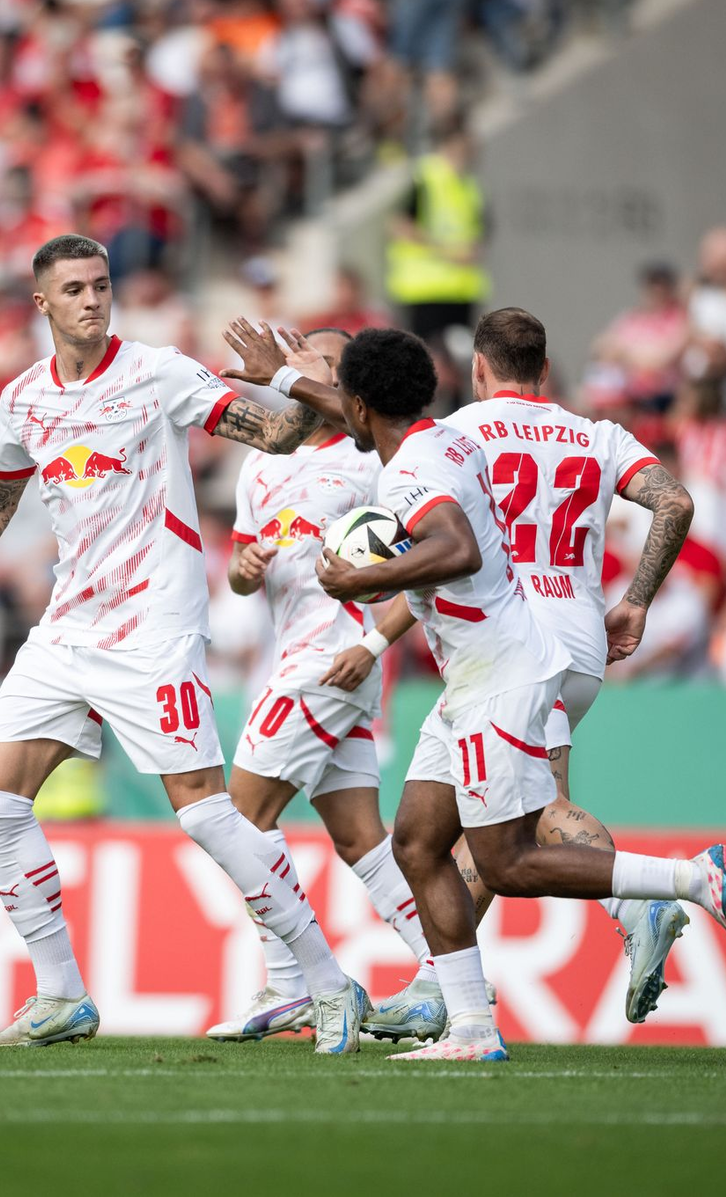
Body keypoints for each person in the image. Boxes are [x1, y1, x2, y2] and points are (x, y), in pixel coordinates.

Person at [0, 235, 367, 1053]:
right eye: (74, 289)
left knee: (207, 814)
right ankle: (61, 994)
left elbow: (276, 436)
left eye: (101, 284)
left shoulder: (159, 372)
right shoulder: (23, 399)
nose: (92, 299)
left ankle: (328, 983)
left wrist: (285, 382)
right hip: (68, 625)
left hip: (154, 626)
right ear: (42, 303)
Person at [226, 323, 726, 1062]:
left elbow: (455, 547)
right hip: (486, 670)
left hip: (502, 671)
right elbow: (363, 414)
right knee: (416, 842)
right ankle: (469, 1026)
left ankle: (694, 877)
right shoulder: (443, 440)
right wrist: (285, 380)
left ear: (359, 406)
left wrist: (361, 577)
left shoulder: (418, 463)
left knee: (506, 861)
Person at [332, 308, 694, 1038]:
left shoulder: (456, 435)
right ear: (546, 369)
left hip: (516, 639)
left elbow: (448, 550)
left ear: (478, 369)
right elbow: (674, 501)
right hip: (581, 635)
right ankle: (444, 992)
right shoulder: (595, 434)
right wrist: (636, 601)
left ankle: (646, 899)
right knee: (451, 828)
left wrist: (371, 624)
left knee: (526, 821)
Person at [205, 326, 437, 1042]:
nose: (311, 368)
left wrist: (373, 643)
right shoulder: (260, 466)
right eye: (307, 357)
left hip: (333, 662)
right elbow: (243, 572)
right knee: (362, 838)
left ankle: (295, 982)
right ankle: (448, 975)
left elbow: (431, 569)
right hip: (295, 661)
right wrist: (244, 570)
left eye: (327, 362)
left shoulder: (371, 463)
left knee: (238, 818)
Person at [385, 119, 488, 345]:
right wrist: (447, 251)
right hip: (424, 289)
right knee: (426, 353)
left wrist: (470, 252)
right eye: (460, 149)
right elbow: (399, 226)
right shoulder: (425, 177)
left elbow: (478, 235)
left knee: (459, 354)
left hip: (461, 290)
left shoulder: (470, 185)